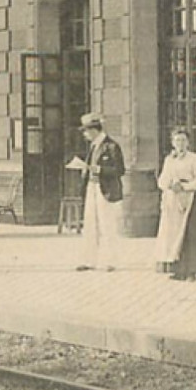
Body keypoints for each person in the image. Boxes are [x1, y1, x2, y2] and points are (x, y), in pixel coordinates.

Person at [155, 129, 196, 281]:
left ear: (188, 142)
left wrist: (185, 187)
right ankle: (178, 269)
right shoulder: (169, 160)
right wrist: (170, 185)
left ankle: (191, 270)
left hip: (190, 199)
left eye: (183, 140)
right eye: (177, 140)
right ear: (172, 143)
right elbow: (162, 180)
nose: (180, 144)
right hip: (173, 200)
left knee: (190, 235)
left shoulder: (194, 159)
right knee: (173, 234)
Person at [76, 113, 125, 272]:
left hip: (106, 191)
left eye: (86, 131)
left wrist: (101, 170)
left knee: (107, 225)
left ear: (94, 130)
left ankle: (110, 261)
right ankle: (89, 260)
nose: (85, 134)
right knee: (90, 224)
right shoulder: (93, 146)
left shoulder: (111, 146)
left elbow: (120, 169)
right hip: (92, 188)